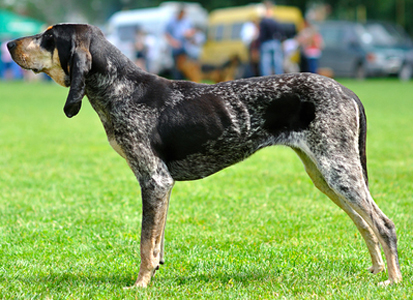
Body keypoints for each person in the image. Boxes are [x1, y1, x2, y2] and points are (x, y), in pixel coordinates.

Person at [164, 7, 194, 79]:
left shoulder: (186, 21)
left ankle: (185, 80)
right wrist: (173, 42)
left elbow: (192, 31)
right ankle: (178, 80)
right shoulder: (171, 22)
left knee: (185, 65)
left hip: (185, 47)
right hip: (176, 48)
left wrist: (189, 34)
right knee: (177, 67)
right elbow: (166, 34)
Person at [258, 1, 284, 76]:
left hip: (266, 43)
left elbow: (262, 34)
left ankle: (265, 80)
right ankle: (279, 78)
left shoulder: (263, 21)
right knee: (277, 63)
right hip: (275, 42)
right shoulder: (275, 20)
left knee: (266, 63)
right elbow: (281, 32)